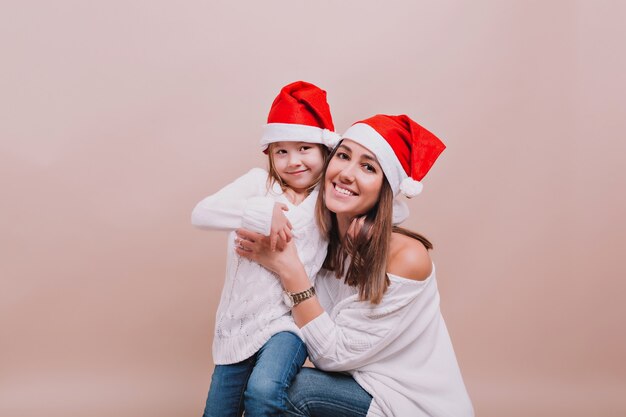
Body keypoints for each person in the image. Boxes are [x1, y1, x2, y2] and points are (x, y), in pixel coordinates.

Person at [235, 114, 474, 416]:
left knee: (288, 390)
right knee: (262, 376)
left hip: (405, 404)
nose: (347, 173)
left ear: (384, 188)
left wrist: (289, 269)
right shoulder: (318, 236)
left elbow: (333, 355)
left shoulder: (406, 256)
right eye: (344, 156)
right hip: (358, 389)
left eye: (368, 167)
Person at [191, 81, 341, 417]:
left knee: (263, 393)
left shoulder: (327, 201)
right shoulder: (259, 185)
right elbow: (201, 213)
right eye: (281, 151)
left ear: (325, 151)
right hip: (238, 328)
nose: (293, 161)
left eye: (305, 148)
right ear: (270, 154)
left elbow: (388, 208)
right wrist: (261, 210)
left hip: (289, 324)